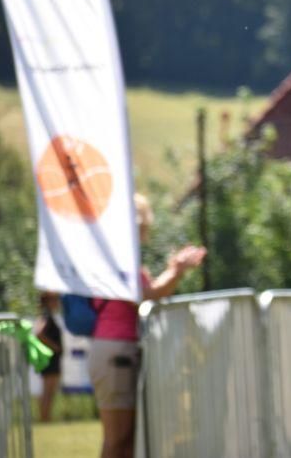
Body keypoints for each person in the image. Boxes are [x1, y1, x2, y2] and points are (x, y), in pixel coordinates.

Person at [89, 193, 207, 458]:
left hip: (115, 352)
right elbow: (145, 297)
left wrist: (174, 270)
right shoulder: (121, 260)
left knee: (126, 440)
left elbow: (149, 293)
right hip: (116, 352)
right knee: (117, 439)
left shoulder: (118, 259)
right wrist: (176, 270)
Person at [34, 291, 63, 422]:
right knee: (48, 391)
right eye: (55, 300)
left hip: (50, 358)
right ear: (48, 302)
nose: (57, 303)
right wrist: (54, 347)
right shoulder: (46, 316)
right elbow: (39, 333)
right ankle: (45, 418)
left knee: (49, 391)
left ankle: (45, 417)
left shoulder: (47, 315)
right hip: (50, 359)